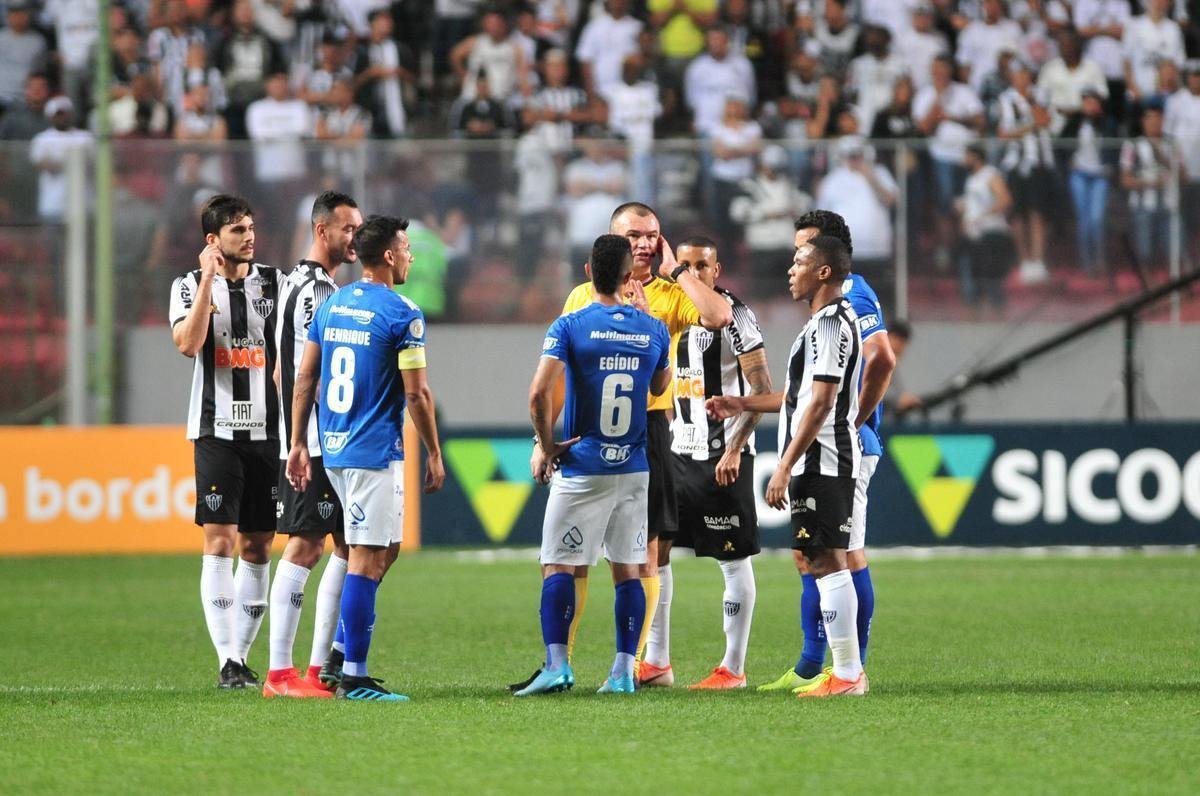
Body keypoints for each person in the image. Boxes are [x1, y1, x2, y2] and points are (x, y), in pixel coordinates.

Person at [508, 202, 732, 692]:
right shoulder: (586, 300)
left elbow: (719, 315)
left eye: (653, 234)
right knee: (599, 557)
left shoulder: (671, 293)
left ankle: (626, 664)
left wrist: (678, 270)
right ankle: (591, 663)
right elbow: (566, 381)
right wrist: (540, 441)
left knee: (635, 557)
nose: (646, 243)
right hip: (601, 433)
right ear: (615, 241)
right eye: (635, 235)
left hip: (645, 433)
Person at [711, 210, 895, 694]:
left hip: (826, 456)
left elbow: (822, 401)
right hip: (820, 453)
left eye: (799, 258)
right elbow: (798, 397)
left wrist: (789, 462)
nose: (790, 268)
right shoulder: (819, 325)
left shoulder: (836, 320)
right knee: (817, 555)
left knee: (835, 557)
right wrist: (741, 402)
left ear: (825, 269)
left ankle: (848, 672)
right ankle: (832, 668)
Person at [286, 214, 446, 702]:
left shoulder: (334, 303)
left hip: (333, 448)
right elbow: (416, 396)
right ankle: (352, 674)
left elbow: (305, 378)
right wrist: (435, 452)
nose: (412, 256)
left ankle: (338, 653)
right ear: (392, 256)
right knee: (366, 556)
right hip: (374, 451)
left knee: (384, 548)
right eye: (408, 248)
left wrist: (297, 443)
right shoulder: (403, 313)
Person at [515, 234, 671, 696]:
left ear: (587, 272)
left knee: (558, 566)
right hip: (634, 466)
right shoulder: (653, 328)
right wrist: (644, 320)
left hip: (583, 466)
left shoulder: (569, 325)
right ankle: (623, 672)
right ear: (629, 278)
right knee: (629, 570)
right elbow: (661, 382)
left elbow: (538, 392)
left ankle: (557, 666)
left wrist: (547, 444)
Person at [168, 194, 282, 689]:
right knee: (219, 541)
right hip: (215, 431)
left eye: (251, 227)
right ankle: (229, 661)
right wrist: (210, 280)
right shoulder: (189, 286)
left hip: (269, 432)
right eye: (237, 230)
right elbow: (189, 345)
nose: (250, 236)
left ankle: (242, 656)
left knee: (258, 546)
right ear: (213, 241)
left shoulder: (276, 284)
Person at [648, 236, 772, 690]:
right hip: (676, 451)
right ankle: (657, 661)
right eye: (684, 264)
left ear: (716, 271)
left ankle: (733, 668)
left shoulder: (735, 315)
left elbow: (761, 390)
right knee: (656, 552)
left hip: (722, 456)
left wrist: (736, 447)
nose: (693, 272)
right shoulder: (669, 309)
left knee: (732, 559)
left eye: (702, 265)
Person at [263, 192, 363, 699]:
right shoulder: (316, 292)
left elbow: (281, 366)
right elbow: (305, 374)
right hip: (317, 443)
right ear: (322, 230)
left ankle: (321, 667)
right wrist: (300, 439)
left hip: (319, 439)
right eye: (348, 228)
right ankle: (280, 674)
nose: (355, 238)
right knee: (305, 546)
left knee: (345, 545)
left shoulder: (296, 283)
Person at [958, 143, 1017, 312]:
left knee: (990, 275)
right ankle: (974, 308)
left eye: (966, 156)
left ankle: (997, 310)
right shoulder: (971, 179)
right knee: (971, 274)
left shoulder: (990, 175)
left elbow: (1005, 200)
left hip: (991, 232)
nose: (963, 160)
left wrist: (981, 216)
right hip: (974, 235)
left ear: (975, 157)